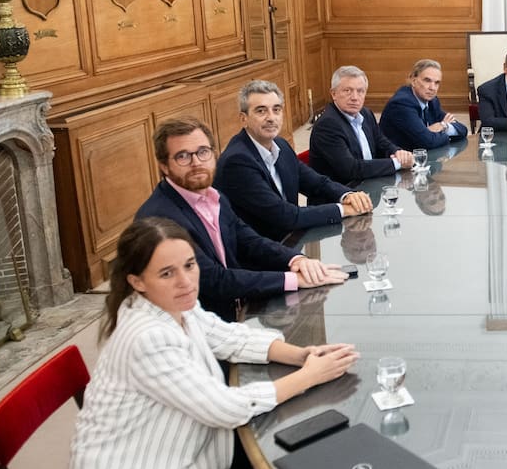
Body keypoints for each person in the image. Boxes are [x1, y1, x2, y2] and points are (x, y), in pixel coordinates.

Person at [70, 217, 359, 469]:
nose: (186, 281)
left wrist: (301, 356)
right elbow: (223, 408)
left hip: (165, 460)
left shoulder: (172, 307)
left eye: (190, 265)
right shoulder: (147, 337)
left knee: (271, 467)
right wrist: (308, 378)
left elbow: (227, 336)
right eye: (167, 273)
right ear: (137, 280)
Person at [136, 117, 348, 319]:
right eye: (183, 156)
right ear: (164, 165)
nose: (196, 163)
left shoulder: (213, 195)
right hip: (195, 327)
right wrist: (293, 280)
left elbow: (248, 240)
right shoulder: (161, 218)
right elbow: (214, 280)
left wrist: (296, 260)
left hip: (233, 312)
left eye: (203, 152)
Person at [215, 80, 373, 241]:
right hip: (259, 253)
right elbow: (285, 216)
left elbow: (317, 183)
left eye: (276, 110)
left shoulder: (281, 145)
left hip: (289, 240)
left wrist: (346, 195)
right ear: (244, 119)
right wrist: (344, 210)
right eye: (261, 111)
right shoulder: (237, 161)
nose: (271, 118)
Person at [309, 65, 416, 184]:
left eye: (360, 91)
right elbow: (351, 169)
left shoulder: (366, 113)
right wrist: (397, 163)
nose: (355, 97)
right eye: (347, 91)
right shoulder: (327, 125)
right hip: (343, 194)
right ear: (334, 94)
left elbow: (381, 142)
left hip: (370, 184)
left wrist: (397, 152)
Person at [379, 59, 469, 149]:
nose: (432, 88)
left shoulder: (432, 101)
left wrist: (444, 126)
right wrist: (433, 132)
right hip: (399, 160)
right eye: (427, 81)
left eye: (437, 83)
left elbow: (462, 130)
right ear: (413, 81)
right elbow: (428, 142)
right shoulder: (401, 104)